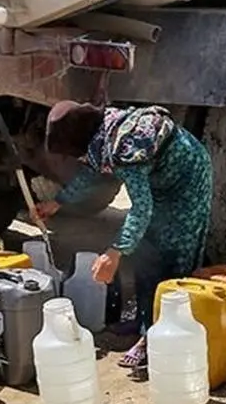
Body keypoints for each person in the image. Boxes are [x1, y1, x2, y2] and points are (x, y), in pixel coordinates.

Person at [40, 101, 213, 369]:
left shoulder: (125, 149)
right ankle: (144, 320)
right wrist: (59, 202)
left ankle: (156, 338)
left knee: (175, 257)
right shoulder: (102, 133)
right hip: (159, 184)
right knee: (145, 254)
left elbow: (141, 209)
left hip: (187, 183)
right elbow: (93, 175)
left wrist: (114, 251)